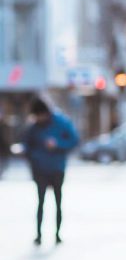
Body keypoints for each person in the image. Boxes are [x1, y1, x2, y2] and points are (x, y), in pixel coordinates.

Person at [23, 97, 79, 245]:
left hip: (57, 168)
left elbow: (74, 140)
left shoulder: (61, 122)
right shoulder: (33, 127)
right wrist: (33, 158)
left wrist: (58, 144)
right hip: (40, 169)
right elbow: (27, 146)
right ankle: (39, 235)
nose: (39, 119)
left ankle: (57, 234)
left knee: (57, 202)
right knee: (40, 203)